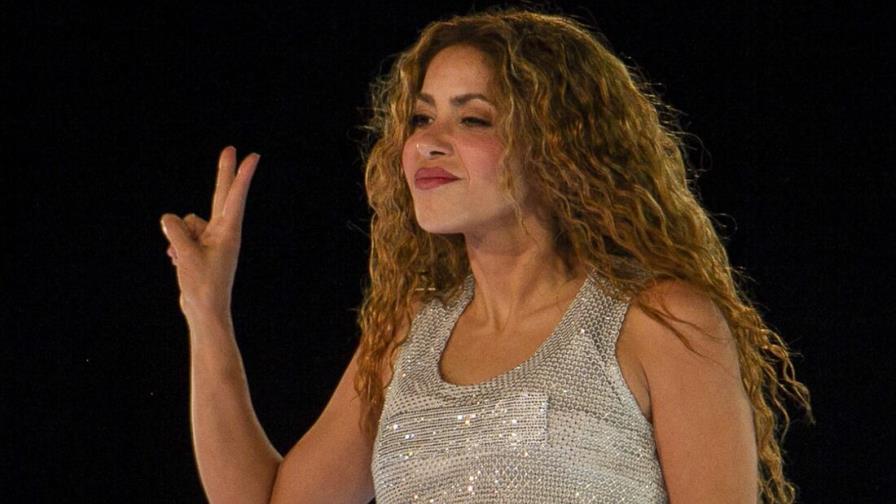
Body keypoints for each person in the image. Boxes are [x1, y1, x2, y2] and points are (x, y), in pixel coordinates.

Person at [160, 8, 812, 504]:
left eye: (472, 120)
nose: (428, 143)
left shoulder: (661, 321)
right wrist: (206, 309)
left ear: (559, 149)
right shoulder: (409, 333)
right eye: (422, 118)